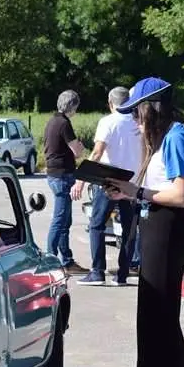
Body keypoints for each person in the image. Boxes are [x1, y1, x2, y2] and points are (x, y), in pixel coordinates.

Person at [103, 76, 184, 367]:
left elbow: (178, 194)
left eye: (137, 113)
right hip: (163, 226)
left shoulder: (175, 136)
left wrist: (138, 192)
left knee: (162, 317)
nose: (135, 121)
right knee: (165, 315)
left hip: (166, 227)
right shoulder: (177, 134)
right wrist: (132, 193)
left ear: (152, 109)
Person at [71, 86, 143, 286]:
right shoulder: (139, 122)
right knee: (130, 229)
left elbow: (96, 153)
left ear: (110, 103)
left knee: (97, 225)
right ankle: (122, 274)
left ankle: (97, 271)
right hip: (133, 182)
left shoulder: (107, 122)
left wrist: (80, 180)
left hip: (109, 181)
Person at [43, 90, 87, 274]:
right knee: (60, 220)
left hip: (54, 174)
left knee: (65, 221)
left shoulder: (52, 121)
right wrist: (81, 147)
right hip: (62, 175)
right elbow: (76, 151)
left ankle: (66, 259)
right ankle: (51, 259)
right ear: (73, 106)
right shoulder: (64, 123)